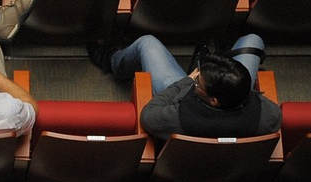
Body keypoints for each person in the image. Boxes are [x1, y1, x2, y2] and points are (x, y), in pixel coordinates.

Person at [94, 33, 280, 141]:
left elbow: (148, 115)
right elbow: (257, 100)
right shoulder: (269, 117)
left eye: (199, 81)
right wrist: (238, 83)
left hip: (182, 96)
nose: (197, 78)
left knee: (147, 43)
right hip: (233, 106)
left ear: (214, 100)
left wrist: (187, 81)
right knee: (254, 40)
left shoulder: (176, 118)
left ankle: (112, 61)